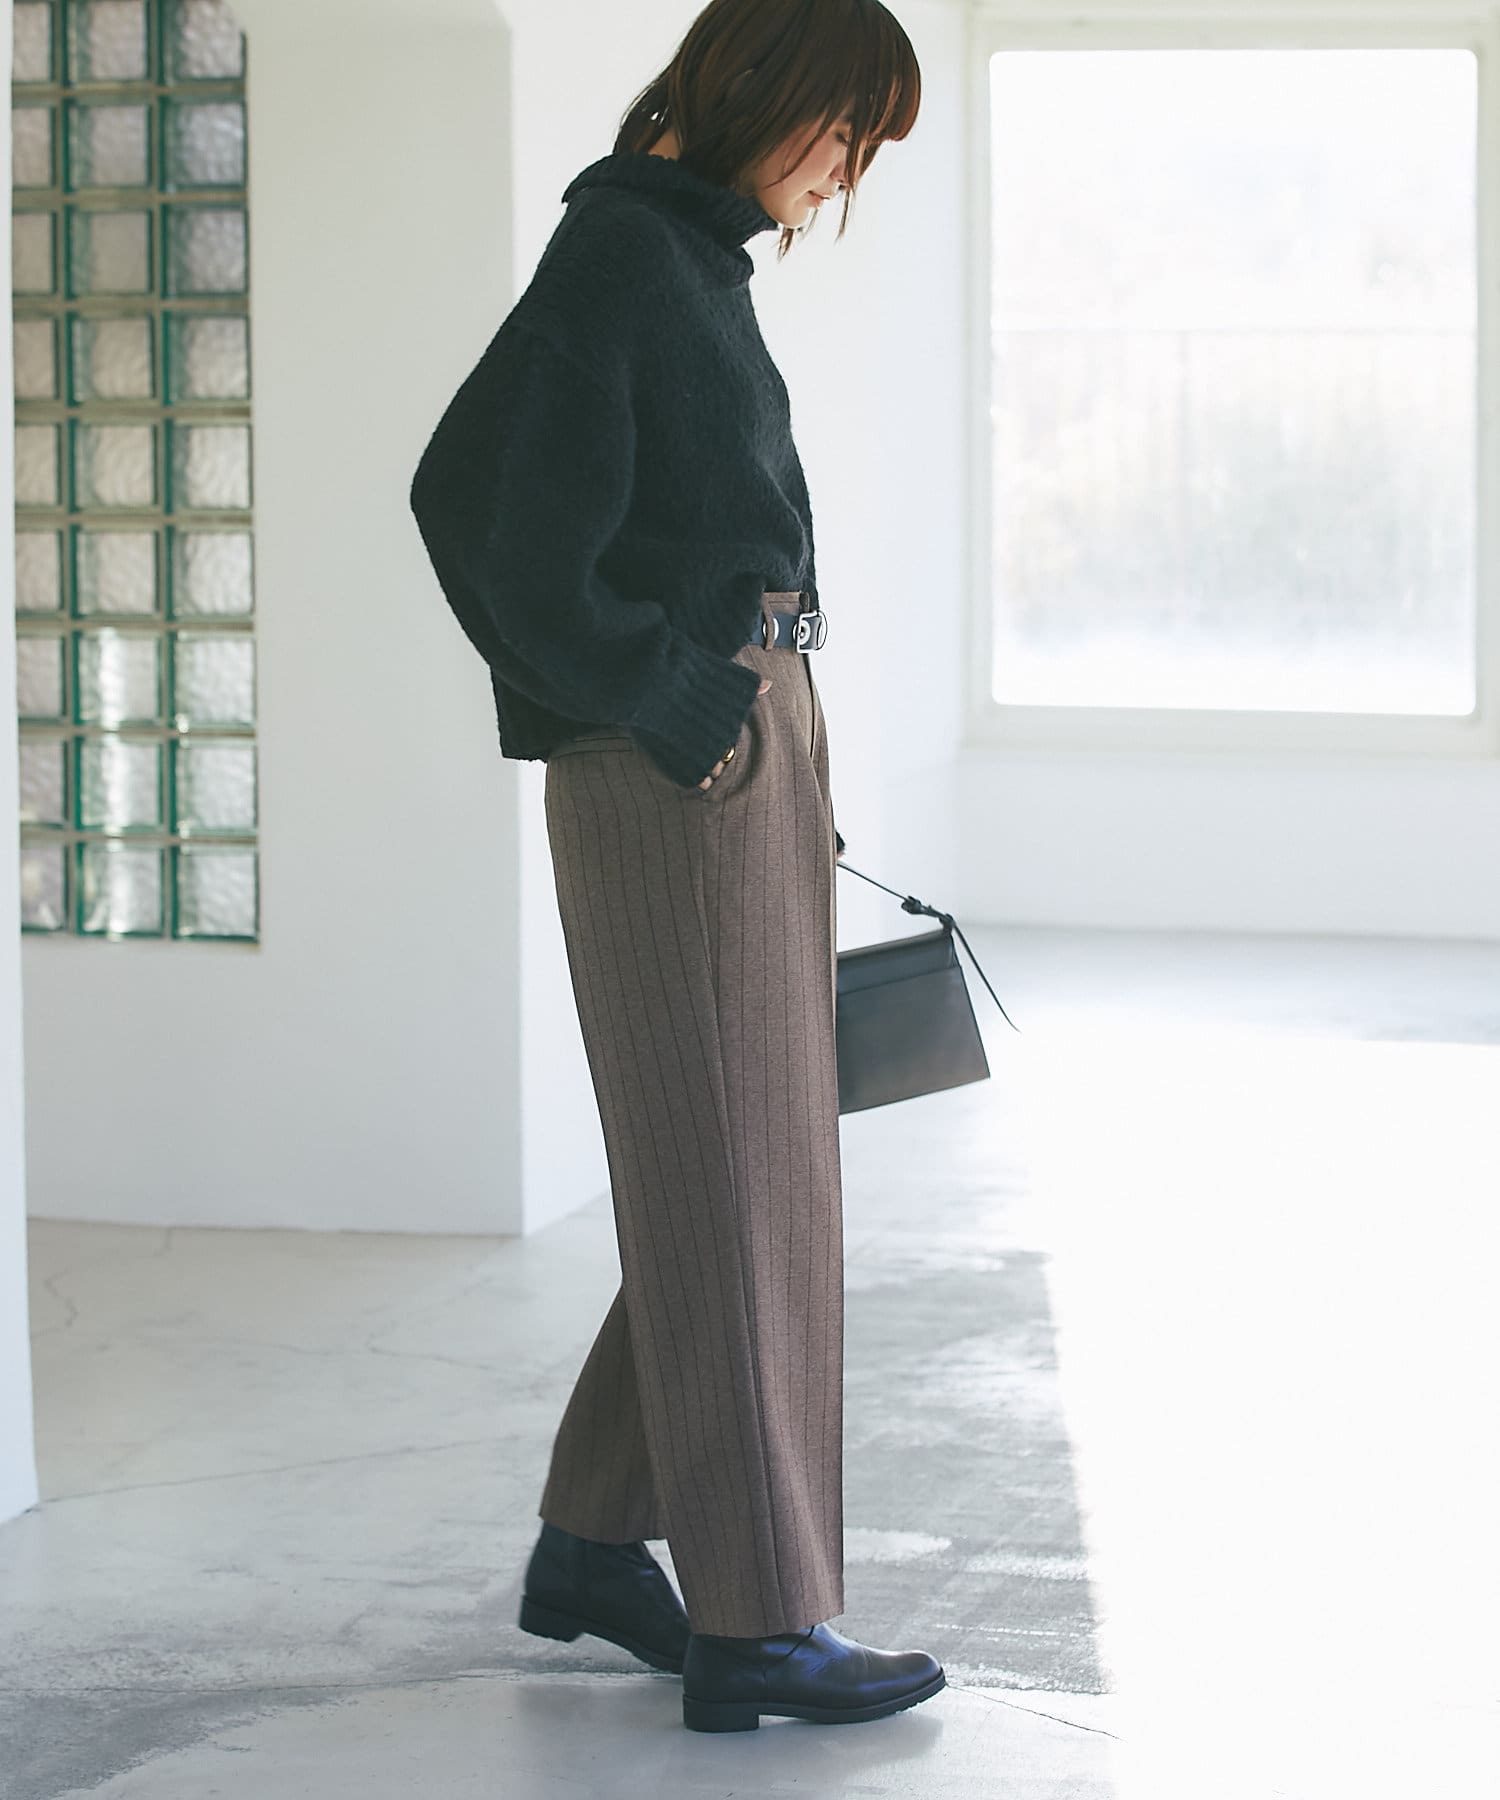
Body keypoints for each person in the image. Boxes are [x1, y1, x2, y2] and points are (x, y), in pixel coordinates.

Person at [408, 0, 937, 1733]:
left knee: (749, 1168)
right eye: (842, 130)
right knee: (735, 1177)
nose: (844, 172)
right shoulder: (626, 256)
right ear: (763, 92)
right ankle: (757, 1621)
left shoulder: (686, 261)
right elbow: (472, 507)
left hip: (738, 738)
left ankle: (592, 1539)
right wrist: (666, 693)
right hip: (679, 761)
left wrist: (760, 721)